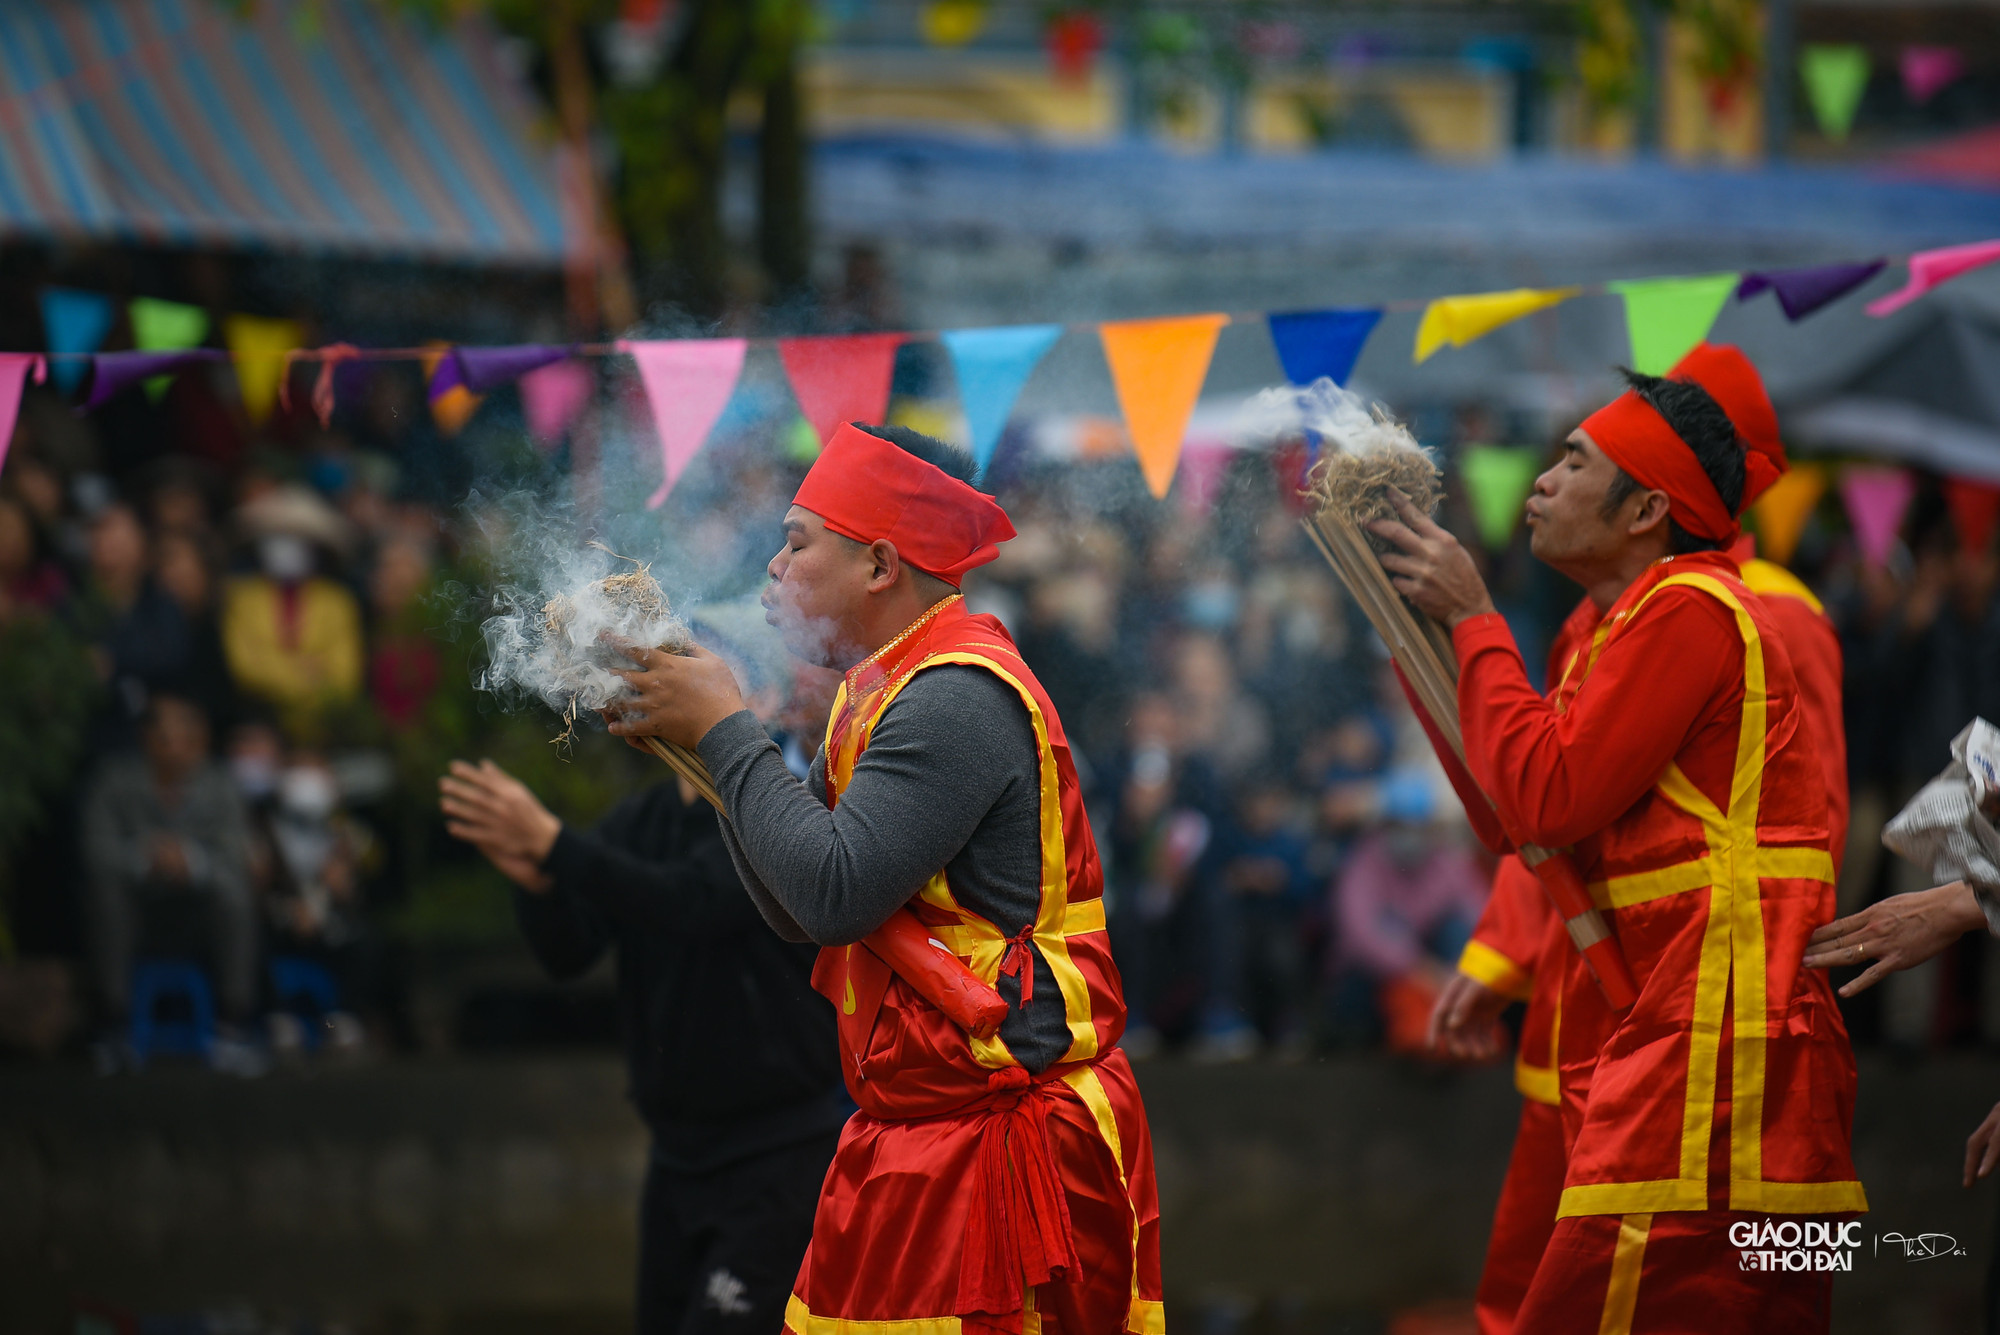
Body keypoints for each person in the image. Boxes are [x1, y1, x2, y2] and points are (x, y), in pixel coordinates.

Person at [604, 421, 1164, 1335]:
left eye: (796, 543)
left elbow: (835, 893)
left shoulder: (953, 692)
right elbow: (799, 907)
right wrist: (707, 748)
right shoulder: (879, 687)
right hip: (920, 1126)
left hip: (1003, 1142)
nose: (774, 567)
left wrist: (726, 731)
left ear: (879, 565)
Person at [1373, 360, 1863, 1331]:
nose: (1542, 480)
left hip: (1708, 1049)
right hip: (1649, 1031)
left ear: (1645, 511)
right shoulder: (1620, 620)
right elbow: (1515, 817)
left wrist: (1475, 617)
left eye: (1572, 461)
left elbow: (1548, 800)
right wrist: (1427, 641)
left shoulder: (1696, 609)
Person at [439, 734, 846, 1335]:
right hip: (676, 1158)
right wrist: (538, 882)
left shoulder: (775, 814)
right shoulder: (641, 820)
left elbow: (691, 900)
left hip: (777, 1157)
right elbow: (570, 952)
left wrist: (555, 844)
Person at [80, 691, 261, 1073]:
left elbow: (236, 856)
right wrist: (146, 857)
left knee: (235, 894)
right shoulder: (115, 780)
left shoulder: (221, 785)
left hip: (198, 917)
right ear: (146, 738)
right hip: (137, 912)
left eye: (189, 739)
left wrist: (191, 862)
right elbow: (96, 849)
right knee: (104, 891)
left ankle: (232, 1024)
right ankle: (114, 1024)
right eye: (166, 738)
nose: (178, 750)